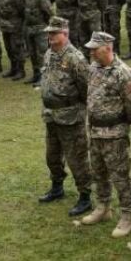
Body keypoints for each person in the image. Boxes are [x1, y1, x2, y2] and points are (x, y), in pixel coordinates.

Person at [82, 31, 131, 238]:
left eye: (95, 49)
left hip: (115, 134)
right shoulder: (93, 68)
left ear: (108, 48)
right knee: (98, 172)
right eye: (90, 49)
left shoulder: (124, 73)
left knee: (120, 176)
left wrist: (118, 124)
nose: (91, 53)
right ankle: (103, 207)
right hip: (95, 131)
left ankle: (127, 216)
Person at [37, 17, 94, 216]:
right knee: (52, 156)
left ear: (65, 34)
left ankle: (85, 196)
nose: (50, 36)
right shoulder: (49, 54)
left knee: (77, 158)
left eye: (54, 33)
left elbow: (87, 89)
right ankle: (57, 187)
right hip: (51, 115)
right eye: (49, 33)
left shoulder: (75, 58)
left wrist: (79, 111)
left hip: (71, 117)